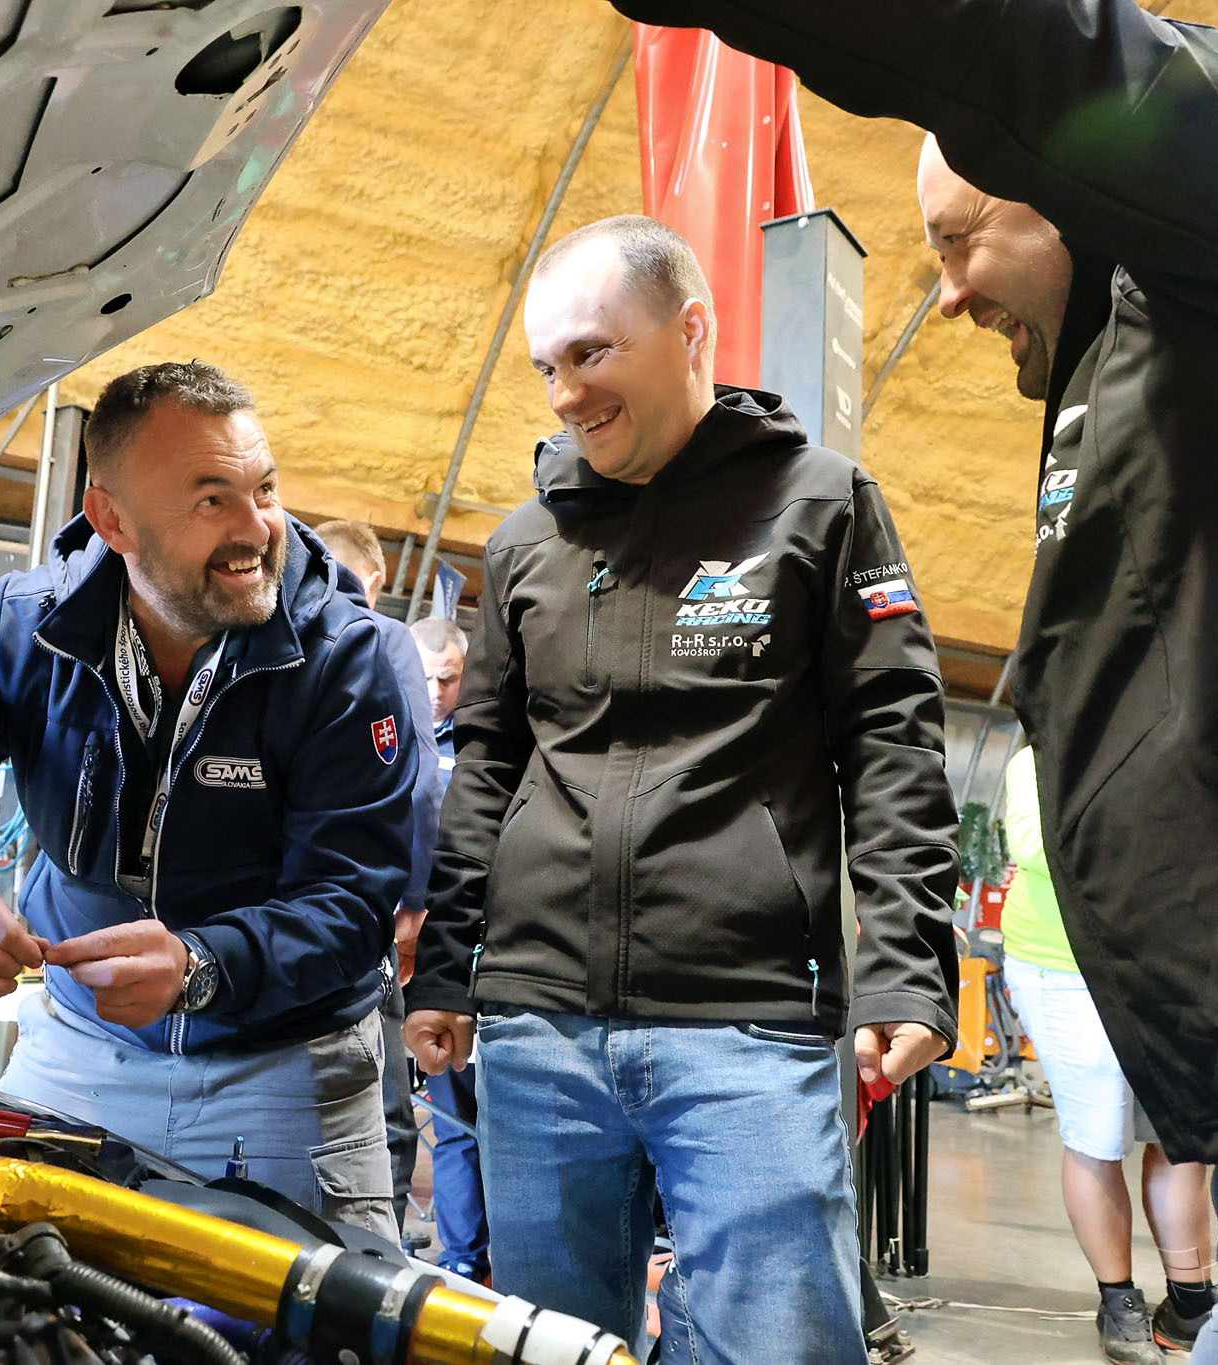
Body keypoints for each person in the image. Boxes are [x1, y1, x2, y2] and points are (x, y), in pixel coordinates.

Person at [603, 3, 1218, 1357]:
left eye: (959, 238)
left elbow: (1031, 47)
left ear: (1068, 178)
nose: (948, 293)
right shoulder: (1158, 370)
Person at [405, 215, 960, 1363]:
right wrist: (449, 966)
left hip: (746, 1024)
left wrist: (907, 966)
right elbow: (488, 765)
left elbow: (892, 743)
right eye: (545, 367)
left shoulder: (820, 504)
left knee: (780, 1344)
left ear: (689, 330)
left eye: (590, 353)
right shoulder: (523, 544)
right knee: (551, 1348)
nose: (564, 392)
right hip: (540, 1029)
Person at [0, 362, 421, 1238]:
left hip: (285, 1072)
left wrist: (201, 964)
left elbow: (353, 902)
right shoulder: (21, 629)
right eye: (212, 500)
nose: (257, 529)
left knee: (313, 1311)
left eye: (265, 489)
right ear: (112, 519)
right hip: (78, 1052)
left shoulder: (346, 659)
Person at [1002, 744, 1213, 1362]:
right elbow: (1040, 848)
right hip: (1066, 967)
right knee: (1097, 1139)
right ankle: (1118, 1300)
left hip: (1165, 966)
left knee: (1180, 1136)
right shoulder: (1039, 758)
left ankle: (1191, 1301)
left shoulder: (1167, 737)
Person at [313, 515, 437, 1241]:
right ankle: (375, 1265)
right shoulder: (382, 637)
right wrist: (413, 900)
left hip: (269, 914)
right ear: (377, 578)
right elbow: (417, 777)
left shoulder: (264, 633)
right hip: (358, 908)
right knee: (379, 1095)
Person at [406, 614, 488, 1283]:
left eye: (448, 678)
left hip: (480, 953)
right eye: (424, 677)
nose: (435, 691)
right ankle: (461, 1255)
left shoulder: (488, 747)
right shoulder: (386, 737)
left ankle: (512, 1258)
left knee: (503, 1117)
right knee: (452, 1115)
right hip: (413, 960)